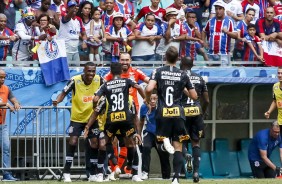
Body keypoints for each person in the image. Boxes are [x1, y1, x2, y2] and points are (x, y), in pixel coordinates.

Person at [145, 46, 197, 184]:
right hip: (178, 112)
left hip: (163, 112)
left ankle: (165, 141)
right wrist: (183, 89)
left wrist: (147, 99)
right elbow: (194, 95)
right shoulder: (183, 74)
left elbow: (149, 88)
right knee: (179, 146)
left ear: (165, 57)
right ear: (178, 58)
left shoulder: (158, 71)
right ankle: (176, 179)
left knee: (159, 140)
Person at [93, 62, 145, 182]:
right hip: (125, 118)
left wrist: (95, 107)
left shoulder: (106, 84)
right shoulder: (127, 81)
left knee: (105, 143)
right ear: (122, 71)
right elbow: (138, 87)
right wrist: (146, 99)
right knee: (131, 143)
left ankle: (100, 174)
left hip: (112, 119)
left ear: (111, 73)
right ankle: (134, 172)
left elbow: (95, 98)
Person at [53, 62, 103, 182]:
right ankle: (66, 172)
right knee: (73, 141)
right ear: (84, 71)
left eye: (93, 71)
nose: (91, 73)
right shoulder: (75, 80)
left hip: (92, 118)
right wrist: (57, 101)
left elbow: (107, 90)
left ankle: (92, 173)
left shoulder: (100, 79)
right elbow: (64, 92)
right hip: (77, 118)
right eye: (89, 71)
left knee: (95, 143)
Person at [180, 56, 209, 183]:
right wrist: (202, 111)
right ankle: (196, 172)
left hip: (183, 112)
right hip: (197, 111)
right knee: (196, 143)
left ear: (181, 65)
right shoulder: (200, 78)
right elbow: (207, 100)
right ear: (192, 65)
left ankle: (186, 155)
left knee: (181, 141)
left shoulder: (179, 77)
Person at [139, 90, 171, 180]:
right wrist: (138, 135)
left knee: (163, 152)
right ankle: (145, 172)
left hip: (161, 133)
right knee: (146, 148)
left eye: (155, 99)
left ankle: (166, 176)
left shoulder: (162, 107)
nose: (152, 101)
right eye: (151, 99)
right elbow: (141, 121)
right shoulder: (144, 107)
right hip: (149, 132)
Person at [202, 1, 237, 66]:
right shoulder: (210, 21)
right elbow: (204, 31)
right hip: (211, 54)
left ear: (224, 9)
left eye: (220, 8)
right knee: (211, 73)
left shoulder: (229, 21)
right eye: (216, 9)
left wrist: (227, 32)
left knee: (223, 74)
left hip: (224, 54)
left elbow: (236, 35)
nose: (218, 11)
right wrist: (204, 42)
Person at [0, 69, 21, 181]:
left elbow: (13, 98)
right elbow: (6, 103)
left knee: (6, 148)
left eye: (4, 77)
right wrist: (6, 104)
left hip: (2, 125)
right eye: (0, 77)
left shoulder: (6, 89)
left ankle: (6, 174)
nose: (2, 79)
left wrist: (15, 102)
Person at [57, 0, 87, 66]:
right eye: (71, 7)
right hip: (65, 51)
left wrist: (84, 42)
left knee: (77, 70)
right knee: (66, 70)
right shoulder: (64, 15)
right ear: (67, 9)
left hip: (75, 50)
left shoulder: (79, 19)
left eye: (75, 7)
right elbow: (66, 18)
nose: (74, 9)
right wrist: (72, 10)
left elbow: (84, 33)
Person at [265, 67, 282, 131]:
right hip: (280, 121)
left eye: (281, 73)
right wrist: (269, 111)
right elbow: (275, 101)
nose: (280, 75)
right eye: (278, 73)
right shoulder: (275, 86)